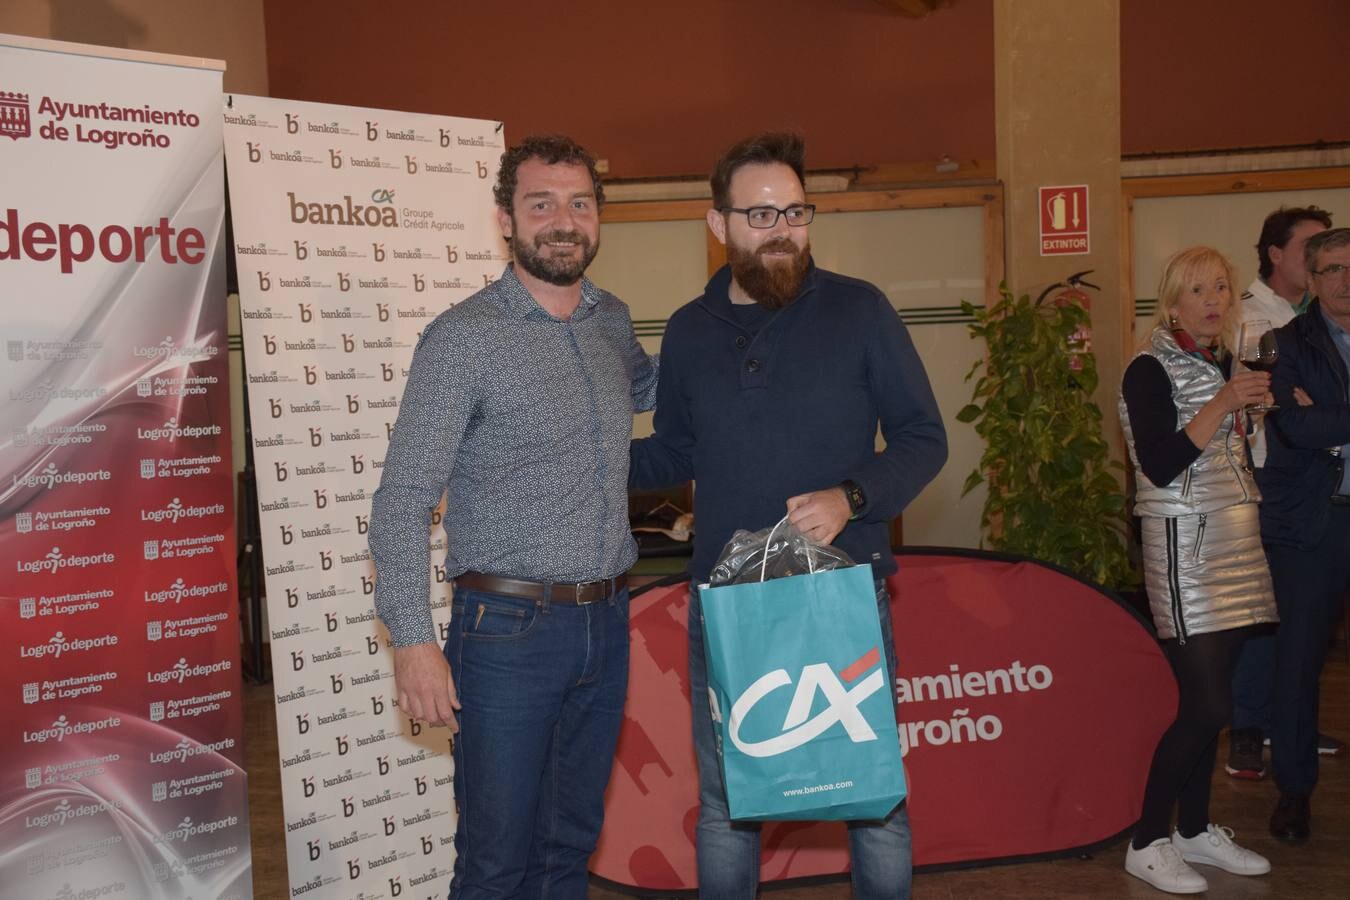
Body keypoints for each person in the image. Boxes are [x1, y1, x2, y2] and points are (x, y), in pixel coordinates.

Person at [630, 132, 947, 899]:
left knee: (873, 805)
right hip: (728, 604)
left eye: (795, 211)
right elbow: (675, 452)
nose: (782, 229)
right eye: (760, 213)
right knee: (728, 805)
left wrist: (853, 498)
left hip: (844, 595)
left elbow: (922, 438)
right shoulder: (687, 330)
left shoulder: (860, 310)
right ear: (719, 225)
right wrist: (588, 456)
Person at [369, 134, 658, 899]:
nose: (563, 220)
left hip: (605, 624)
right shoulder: (462, 339)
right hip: (505, 634)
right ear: (506, 220)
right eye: (541, 204)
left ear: (597, 218)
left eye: (579, 203)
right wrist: (412, 642)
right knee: (496, 864)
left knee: (568, 850)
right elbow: (402, 499)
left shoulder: (612, 322)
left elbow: (653, 395)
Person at [1118, 246, 1276, 894]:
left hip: (1237, 538)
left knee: (1220, 701)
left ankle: (1194, 829)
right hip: (1184, 542)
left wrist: (1258, 409)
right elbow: (1158, 463)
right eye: (1198, 290)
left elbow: (1233, 453)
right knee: (1205, 706)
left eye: (1221, 288)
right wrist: (1224, 403)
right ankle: (1148, 839)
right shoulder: (1148, 366)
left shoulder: (1222, 361)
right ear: (1173, 300)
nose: (1213, 301)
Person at [1227, 206, 1340, 781]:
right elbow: (1278, 412)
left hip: (1315, 483)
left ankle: (1287, 719)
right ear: (1279, 255)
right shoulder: (1245, 319)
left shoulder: (1315, 318)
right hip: (1263, 482)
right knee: (1265, 613)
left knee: (1304, 623)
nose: (1332, 269)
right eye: (1316, 251)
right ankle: (1248, 727)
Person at [1259, 226, 1350, 842]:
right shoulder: (1283, 343)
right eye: (1335, 269)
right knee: (1298, 662)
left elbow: (1319, 421)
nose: (1347, 281)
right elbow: (1294, 428)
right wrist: (1315, 419)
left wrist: (1330, 416)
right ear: (1311, 281)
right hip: (1318, 519)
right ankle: (1293, 791)